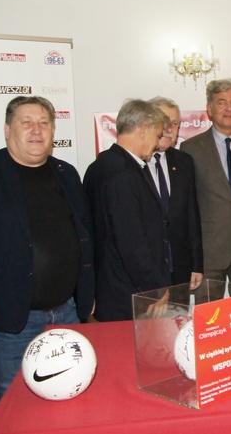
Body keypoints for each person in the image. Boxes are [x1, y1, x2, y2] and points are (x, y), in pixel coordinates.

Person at [0, 96, 94, 406]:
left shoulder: (66, 173)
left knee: (70, 401)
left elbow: (84, 235)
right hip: (13, 319)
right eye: (27, 123)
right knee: (14, 409)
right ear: (7, 129)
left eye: (44, 123)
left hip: (68, 312)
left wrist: (89, 294)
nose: (36, 130)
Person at [83, 99, 170, 321]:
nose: (158, 144)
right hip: (129, 294)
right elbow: (131, 241)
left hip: (108, 288)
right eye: (158, 135)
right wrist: (156, 288)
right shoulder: (124, 174)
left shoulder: (98, 167)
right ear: (144, 130)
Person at [180, 79, 231, 295]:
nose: (229, 108)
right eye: (221, 102)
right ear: (209, 110)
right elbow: (188, 203)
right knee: (210, 314)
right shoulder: (190, 148)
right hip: (209, 250)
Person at [147, 96, 204, 289]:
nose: (169, 129)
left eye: (174, 123)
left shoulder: (184, 161)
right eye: (163, 122)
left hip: (179, 268)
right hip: (146, 271)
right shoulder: (134, 165)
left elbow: (192, 216)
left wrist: (197, 265)